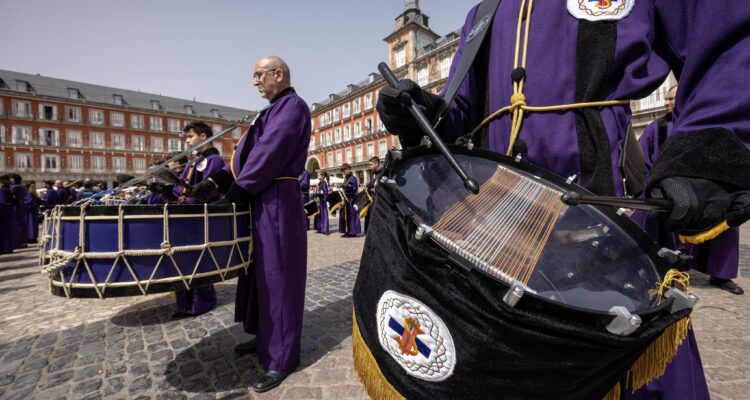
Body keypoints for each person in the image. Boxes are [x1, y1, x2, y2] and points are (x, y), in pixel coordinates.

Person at [376, 2, 750, 399]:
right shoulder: (485, 10)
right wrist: (423, 112)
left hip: (602, 222)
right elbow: (463, 111)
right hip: (495, 231)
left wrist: (707, 148)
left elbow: (727, 40)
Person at [191, 55, 310, 392]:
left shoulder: (292, 106)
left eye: (259, 75)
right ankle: (264, 339)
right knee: (257, 273)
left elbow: (269, 152)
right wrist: (216, 182)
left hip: (275, 200)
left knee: (278, 276)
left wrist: (239, 190)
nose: (255, 81)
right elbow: (246, 155)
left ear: (278, 73)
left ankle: (282, 357)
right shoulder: (270, 111)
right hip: (261, 196)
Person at [639, 85, 744, 296]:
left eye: (672, 99)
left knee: (724, 228)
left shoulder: (709, 125)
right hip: (669, 189)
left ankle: (721, 275)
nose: (668, 102)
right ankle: (657, 269)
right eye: (667, 98)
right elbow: (643, 159)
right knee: (656, 225)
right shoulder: (657, 127)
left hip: (708, 189)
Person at [169, 121, 224, 320]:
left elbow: (208, 190)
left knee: (198, 259)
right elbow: (181, 186)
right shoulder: (193, 162)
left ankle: (201, 302)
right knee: (184, 259)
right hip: (186, 215)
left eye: (190, 137)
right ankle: (185, 304)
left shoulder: (215, 160)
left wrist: (189, 201)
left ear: (203, 136)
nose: (188, 141)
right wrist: (168, 189)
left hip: (199, 216)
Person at [338, 163, 361, 237]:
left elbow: (354, 189)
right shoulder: (346, 178)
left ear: (348, 169)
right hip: (345, 200)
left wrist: (346, 186)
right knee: (345, 216)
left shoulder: (353, 178)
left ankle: (352, 232)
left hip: (351, 200)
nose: (343, 172)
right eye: (342, 171)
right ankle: (346, 231)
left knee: (351, 216)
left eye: (344, 171)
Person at [9, 174, 29, 249]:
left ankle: (18, 242)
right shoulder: (21, 186)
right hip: (21, 206)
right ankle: (23, 241)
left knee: (16, 224)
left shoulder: (14, 187)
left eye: (11, 179)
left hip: (15, 207)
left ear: (13, 179)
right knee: (21, 224)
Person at [363, 156, 381, 233]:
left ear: (376, 164)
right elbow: (371, 184)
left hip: (380, 201)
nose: (370, 166)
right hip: (372, 200)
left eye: (371, 164)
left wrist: (375, 188)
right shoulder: (373, 174)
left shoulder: (383, 173)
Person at [0, 174, 14, 254]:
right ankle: (8, 247)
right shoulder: (9, 188)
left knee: (3, 231)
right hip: (8, 211)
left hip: (3, 211)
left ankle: (4, 248)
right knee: (8, 230)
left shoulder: (2, 189)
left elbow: (2, 201)